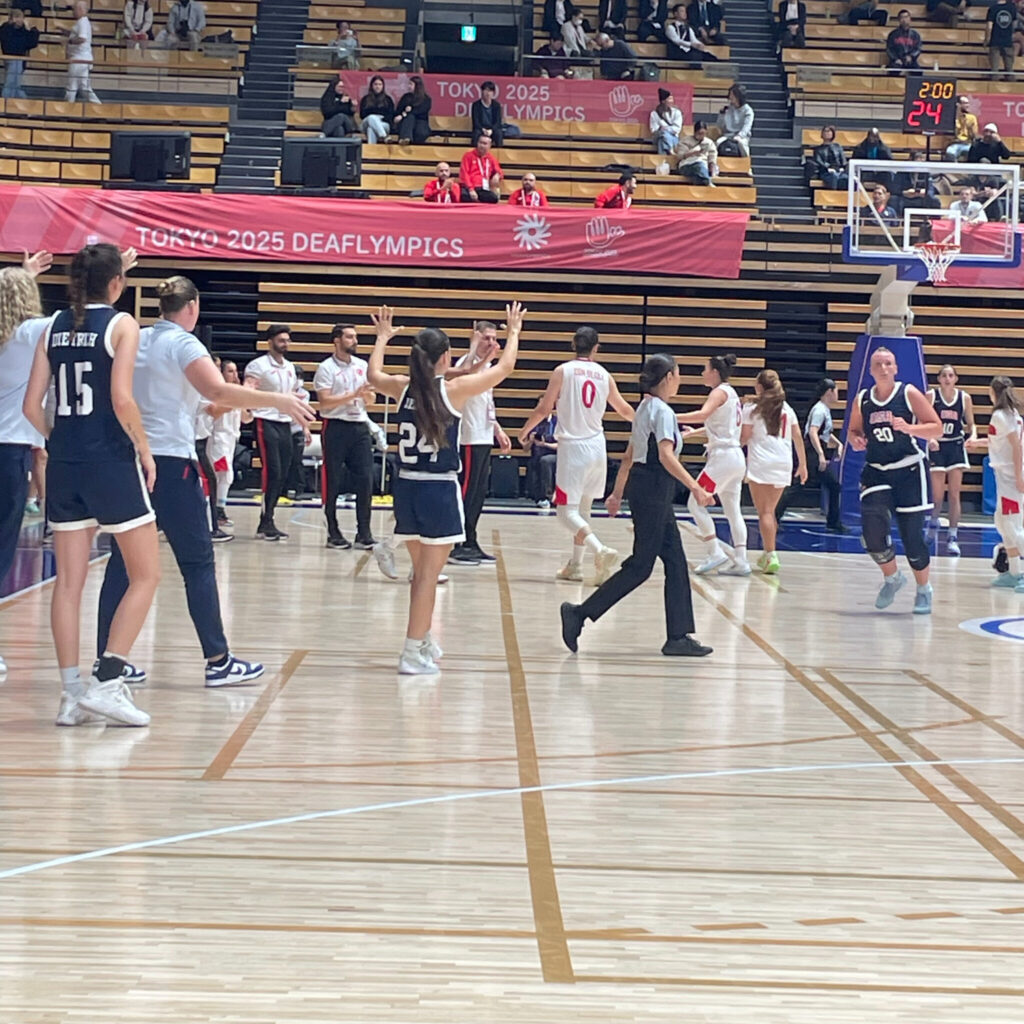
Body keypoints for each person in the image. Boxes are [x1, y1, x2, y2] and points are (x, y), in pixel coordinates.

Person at [96, 277, 313, 690]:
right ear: (192, 307)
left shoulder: (133, 337)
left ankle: (108, 659)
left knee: (123, 565)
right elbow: (216, 390)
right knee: (197, 564)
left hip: (132, 460)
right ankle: (218, 659)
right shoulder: (184, 344)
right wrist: (279, 399)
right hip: (173, 464)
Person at [21, 243, 156, 727]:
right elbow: (121, 399)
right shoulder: (123, 325)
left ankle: (71, 693)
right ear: (117, 284)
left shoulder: (52, 326)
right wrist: (143, 447)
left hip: (65, 462)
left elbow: (31, 407)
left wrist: (61, 439)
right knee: (147, 575)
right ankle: (110, 681)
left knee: (69, 584)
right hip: (109, 461)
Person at [367, 302, 526, 675]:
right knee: (426, 578)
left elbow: (373, 373)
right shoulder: (453, 390)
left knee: (421, 573)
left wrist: (381, 338)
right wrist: (514, 330)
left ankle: (420, 640)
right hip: (437, 490)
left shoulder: (402, 387)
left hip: (405, 487)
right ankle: (409, 652)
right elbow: (506, 368)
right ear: (445, 358)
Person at [559, 354, 714, 658]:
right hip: (655, 488)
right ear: (668, 377)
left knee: (675, 562)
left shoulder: (644, 407)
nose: (680, 379)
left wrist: (618, 493)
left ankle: (678, 636)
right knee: (641, 566)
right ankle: (578, 614)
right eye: (679, 374)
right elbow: (666, 457)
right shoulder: (662, 412)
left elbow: (630, 455)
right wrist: (696, 487)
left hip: (647, 488)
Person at [518, 326, 635, 584]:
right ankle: (576, 566)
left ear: (573, 345)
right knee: (583, 510)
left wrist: (525, 430)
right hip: (597, 447)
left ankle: (600, 549)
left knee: (565, 512)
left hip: (573, 448)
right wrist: (645, 424)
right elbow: (625, 410)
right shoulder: (605, 375)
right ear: (596, 348)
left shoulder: (563, 371)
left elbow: (544, 407)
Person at [847, 347, 942, 614]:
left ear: (896, 367)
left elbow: (935, 427)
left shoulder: (909, 393)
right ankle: (892, 577)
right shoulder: (863, 399)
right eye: (879, 364)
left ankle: (924, 589)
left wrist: (909, 428)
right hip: (876, 469)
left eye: (889, 363)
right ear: (871, 370)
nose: (884, 368)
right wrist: (855, 439)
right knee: (872, 531)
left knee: (912, 539)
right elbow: (854, 430)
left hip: (909, 470)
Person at [0, 251, 53, 678]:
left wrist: (22, 274)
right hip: (9, 452)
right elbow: (85, 317)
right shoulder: (35, 331)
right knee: (1, 549)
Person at [677, 353, 750, 576]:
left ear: (715, 372)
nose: (702, 373)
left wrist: (672, 417)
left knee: (695, 502)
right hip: (736, 457)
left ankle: (714, 551)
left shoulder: (718, 392)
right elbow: (717, 423)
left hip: (723, 458)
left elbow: (704, 414)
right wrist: (693, 433)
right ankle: (741, 560)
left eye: (705, 369)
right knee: (732, 510)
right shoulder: (732, 393)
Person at [449, 320, 512, 564]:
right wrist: (482, 356)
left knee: (478, 494)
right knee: (465, 492)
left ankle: (471, 539)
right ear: (475, 338)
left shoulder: (490, 367)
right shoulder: (465, 362)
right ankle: (456, 543)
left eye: (494, 338)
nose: (492, 343)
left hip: (484, 436)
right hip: (467, 438)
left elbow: (487, 402)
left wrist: (498, 429)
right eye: (486, 338)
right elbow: (468, 374)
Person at [244, 324, 309, 541]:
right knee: (272, 470)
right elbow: (248, 391)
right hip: (265, 420)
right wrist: (247, 411)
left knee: (283, 472)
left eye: (288, 340)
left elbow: (292, 397)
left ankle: (268, 518)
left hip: (285, 423)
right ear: (270, 341)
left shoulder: (290, 367)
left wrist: (302, 423)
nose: (286, 344)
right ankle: (266, 520)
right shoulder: (258, 365)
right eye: (281, 340)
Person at [314, 323, 376, 550]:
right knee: (333, 480)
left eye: (355, 337)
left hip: (359, 426)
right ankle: (332, 530)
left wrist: (367, 397)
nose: (354, 340)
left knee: (366, 479)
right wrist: (352, 395)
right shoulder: (326, 368)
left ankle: (364, 532)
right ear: (337, 340)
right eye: (349, 337)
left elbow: (370, 399)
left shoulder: (362, 365)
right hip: (335, 426)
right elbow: (325, 401)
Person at [741, 370, 807, 575]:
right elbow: (797, 436)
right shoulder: (787, 408)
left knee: (765, 513)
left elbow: (744, 437)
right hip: (783, 462)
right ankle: (768, 552)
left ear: (760, 387)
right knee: (770, 511)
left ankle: (771, 554)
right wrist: (803, 465)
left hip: (762, 462)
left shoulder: (752, 409)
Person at [968, 377, 1024, 589]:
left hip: (1011, 478)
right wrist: (977, 442)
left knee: (1014, 525)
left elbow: (1017, 449)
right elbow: (999, 442)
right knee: (1002, 522)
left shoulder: (1002, 416)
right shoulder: (1011, 415)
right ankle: (1014, 572)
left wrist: (1019, 477)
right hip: (1005, 477)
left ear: (993, 392)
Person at [926, 364, 975, 557]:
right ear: (939, 379)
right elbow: (923, 421)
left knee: (954, 495)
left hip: (955, 446)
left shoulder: (964, 398)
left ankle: (953, 537)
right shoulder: (931, 396)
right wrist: (929, 438)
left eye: (950, 375)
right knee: (937, 497)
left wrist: (973, 436)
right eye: (944, 375)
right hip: (938, 447)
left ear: (956, 378)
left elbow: (971, 424)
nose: (947, 378)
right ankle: (933, 523)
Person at [207, 359, 249, 529]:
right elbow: (214, 413)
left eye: (236, 371)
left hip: (232, 439)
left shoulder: (236, 393)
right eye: (230, 371)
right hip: (218, 438)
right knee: (223, 474)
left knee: (225, 476)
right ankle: (217, 510)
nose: (234, 374)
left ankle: (219, 509)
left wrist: (246, 401)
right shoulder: (218, 392)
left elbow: (246, 418)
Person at [803, 377, 845, 532]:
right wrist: (821, 454)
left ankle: (833, 522)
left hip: (813, 452)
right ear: (829, 392)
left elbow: (824, 433)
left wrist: (838, 444)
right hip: (812, 453)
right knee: (832, 485)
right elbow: (813, 432)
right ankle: (833, 522)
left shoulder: (824, 409)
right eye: (836, 390)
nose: (838, 394)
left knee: (832, 486)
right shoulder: (820, 410)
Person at [63, 0, 99, 103]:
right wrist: (65, 31)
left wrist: (68, 41)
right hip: (83, 59)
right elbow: (76, 34)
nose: (73, 12)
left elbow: (82, 39)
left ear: (80, 10)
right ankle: (98, 106)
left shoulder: (82, 22)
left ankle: (67, 108)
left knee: (72, 86)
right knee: (84, 86)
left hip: (79, 59)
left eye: (74, 9)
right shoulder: (82, 22)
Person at [1, 7, 39, 99]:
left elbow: (31, 43)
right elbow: (7, 40)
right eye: (16, 17)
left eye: (20, 17)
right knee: (11, 82)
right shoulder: (6, 28)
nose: (19, 20)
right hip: (11, 57)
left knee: (15, 82)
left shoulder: (24, 31)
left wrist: (32, 30)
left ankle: (16, 101)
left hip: (20, 58)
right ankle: (6, 101)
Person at [523, 415, 557, 507]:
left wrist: (544, 444)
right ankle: (537, 497)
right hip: (537, 455)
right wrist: (530, 441)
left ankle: (547, 497)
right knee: (535, 461)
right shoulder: (533, 422)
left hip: (555, 455)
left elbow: (561, 445)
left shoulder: (557, 422)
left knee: (545, 461)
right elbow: (525, 449)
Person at [459, 134, 503, 204]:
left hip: (483, 188)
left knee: (493, 198)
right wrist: (471, 189)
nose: (482, 145)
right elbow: (464, 174)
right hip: (470, 188)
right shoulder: (468, 156)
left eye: (485, 144)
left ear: (489, 146)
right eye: (480, 142)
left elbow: (500, 171)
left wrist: (498, 175)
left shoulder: (491, 158)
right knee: (465, 197)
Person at [676, 121, 718, 185]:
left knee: (698, 176)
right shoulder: (685, 141)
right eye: (699, 133)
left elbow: (712, 157)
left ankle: (704, 185)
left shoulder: (709, 142)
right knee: (699, 166)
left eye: (703, 133)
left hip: (703, 165)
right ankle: (708, 182)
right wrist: (693, 153)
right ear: (695, 132)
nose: (701, 135)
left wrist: (712, 169)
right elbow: (680, 156)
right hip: (687, 165)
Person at [393, 75, 432, 145]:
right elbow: (398, 110)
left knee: (412, 119)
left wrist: (408, 112)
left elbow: (421, 112)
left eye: (411, 84)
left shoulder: (426, 99)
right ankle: (405, 139)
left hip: (420, 123)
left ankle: (406, 138)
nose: (409, 86)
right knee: (409, 118)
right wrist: (402, 115)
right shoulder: (405, 97)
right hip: (405, 122)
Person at [716, 84, 753, 156]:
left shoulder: (748, 111)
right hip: (728, 135)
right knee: (718, 142)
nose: (730, 97)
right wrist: (722, 115)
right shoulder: (728, 109)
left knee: (742, 145)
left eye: (732, 95)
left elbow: (746, 127)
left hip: (742, 137)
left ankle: (746, 163)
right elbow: (720, 126)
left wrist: (739, 136)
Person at [807, 125, 848, 190]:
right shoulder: (818, 149)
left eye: (829, 131)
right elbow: (819, 162)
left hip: (839, 170)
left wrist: (841, 168)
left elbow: (843, 160)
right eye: (825, 131)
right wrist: (828, 169)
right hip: (826, 172)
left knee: (846, 178)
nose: (827, 133)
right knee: (833, 177)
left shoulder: (838, 147)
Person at [359, 74, 394, 145]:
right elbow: (362, 114)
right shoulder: (366, 99)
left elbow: (391, 115)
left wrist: (379, 118)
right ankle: (384, 136)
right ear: (372, 86)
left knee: (371, 129)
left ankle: (371, 153)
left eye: (380, 84)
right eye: (375, 84)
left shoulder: (388, 99)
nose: (377, 86)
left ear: (383, 86)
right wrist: (375, 116)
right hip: (367, 122)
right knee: (371, 118)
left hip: (383, 123)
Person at [650, 88, 683, 155]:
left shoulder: (677, 112)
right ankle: (670, 149)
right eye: (669, 99)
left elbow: (677, 129)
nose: (671, 101)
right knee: (663, 134)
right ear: (663, 101)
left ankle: (663, 159)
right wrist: (663, 130)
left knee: (662, 141)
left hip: (673, 138)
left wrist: (666, 129)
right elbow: (653, 129)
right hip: (659, 136)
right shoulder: (654, 113)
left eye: (672, 99)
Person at [944, 96, 978, 162]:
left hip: (967, 144)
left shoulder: (972, 118)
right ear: (958, 104)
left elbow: (974, 135)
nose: (967, 105)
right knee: (950, 152)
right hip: (954, 144)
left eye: (968, 103)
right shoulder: (951, 117)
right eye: (965, 103)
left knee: (970, 152)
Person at [988, 0, 1016, 77]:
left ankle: (994, 85)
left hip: (995, 41)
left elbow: (989, 26)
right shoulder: (1012, 8)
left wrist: (987, 39)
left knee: (994, 69)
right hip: (1007, 41)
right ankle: (1012, 86)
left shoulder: (993, 8)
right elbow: (1014, 24)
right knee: (1009, 69)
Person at [471, 80, 504, 146]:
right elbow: (476, 122)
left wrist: (491, 130)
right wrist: (483, 130)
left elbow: (498, 122)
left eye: (490, 91)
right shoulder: (476, 105)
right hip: (481, 129)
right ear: (482, 92)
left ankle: (500, 153)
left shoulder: (497, 105)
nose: (488, 93)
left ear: (493, 93)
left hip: (492, 129)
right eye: (486, 90)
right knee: (476, 133)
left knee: (499, 133)